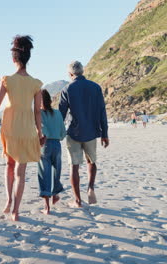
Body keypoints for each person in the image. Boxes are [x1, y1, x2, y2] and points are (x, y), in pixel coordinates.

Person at [0, 35, 43, 221]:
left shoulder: (7, 80)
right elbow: (37, 113)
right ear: (28, 58)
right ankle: (16, 211)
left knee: (9, 165)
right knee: (20, 172)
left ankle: (9, 200)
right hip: (26, 129)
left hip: (10, 128)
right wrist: (40, 132)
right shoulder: (35, 83)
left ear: (14, 59)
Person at [59, 61, 109, 208]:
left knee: (74, 166)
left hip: (73, 132)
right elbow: (102, 111)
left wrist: (56, 133)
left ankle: (77, 200)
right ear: (83, 71)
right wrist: (104, 133)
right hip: (92, 131)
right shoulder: (95, 87)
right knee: (91, 161)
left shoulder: (67, 89)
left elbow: (61, 115)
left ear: (70, 74)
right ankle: (91, 187)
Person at [37, 89, 66, 215]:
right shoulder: (58, 113)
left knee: (44, 174)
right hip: (57, 145)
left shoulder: (38, 114)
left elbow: (42, 130)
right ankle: (55, 194)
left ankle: (47, 207)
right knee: (56, 171)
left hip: (45, 145)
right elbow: (63, 133)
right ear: (50, 100)